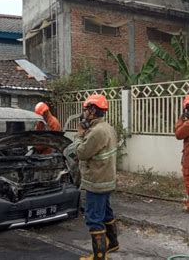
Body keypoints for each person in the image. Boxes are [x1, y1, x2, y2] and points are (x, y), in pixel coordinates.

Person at [74, 94, 118, 260]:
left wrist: (79, 135)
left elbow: (81, 153)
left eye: (86, 109)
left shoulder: (96, 132)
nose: (84, 113)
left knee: (94, 218)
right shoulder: (107, 127)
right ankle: (113, 243)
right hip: (106, 179)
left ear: (92, 110)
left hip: (97, 182)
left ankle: (99, 256)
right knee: (106, 212)